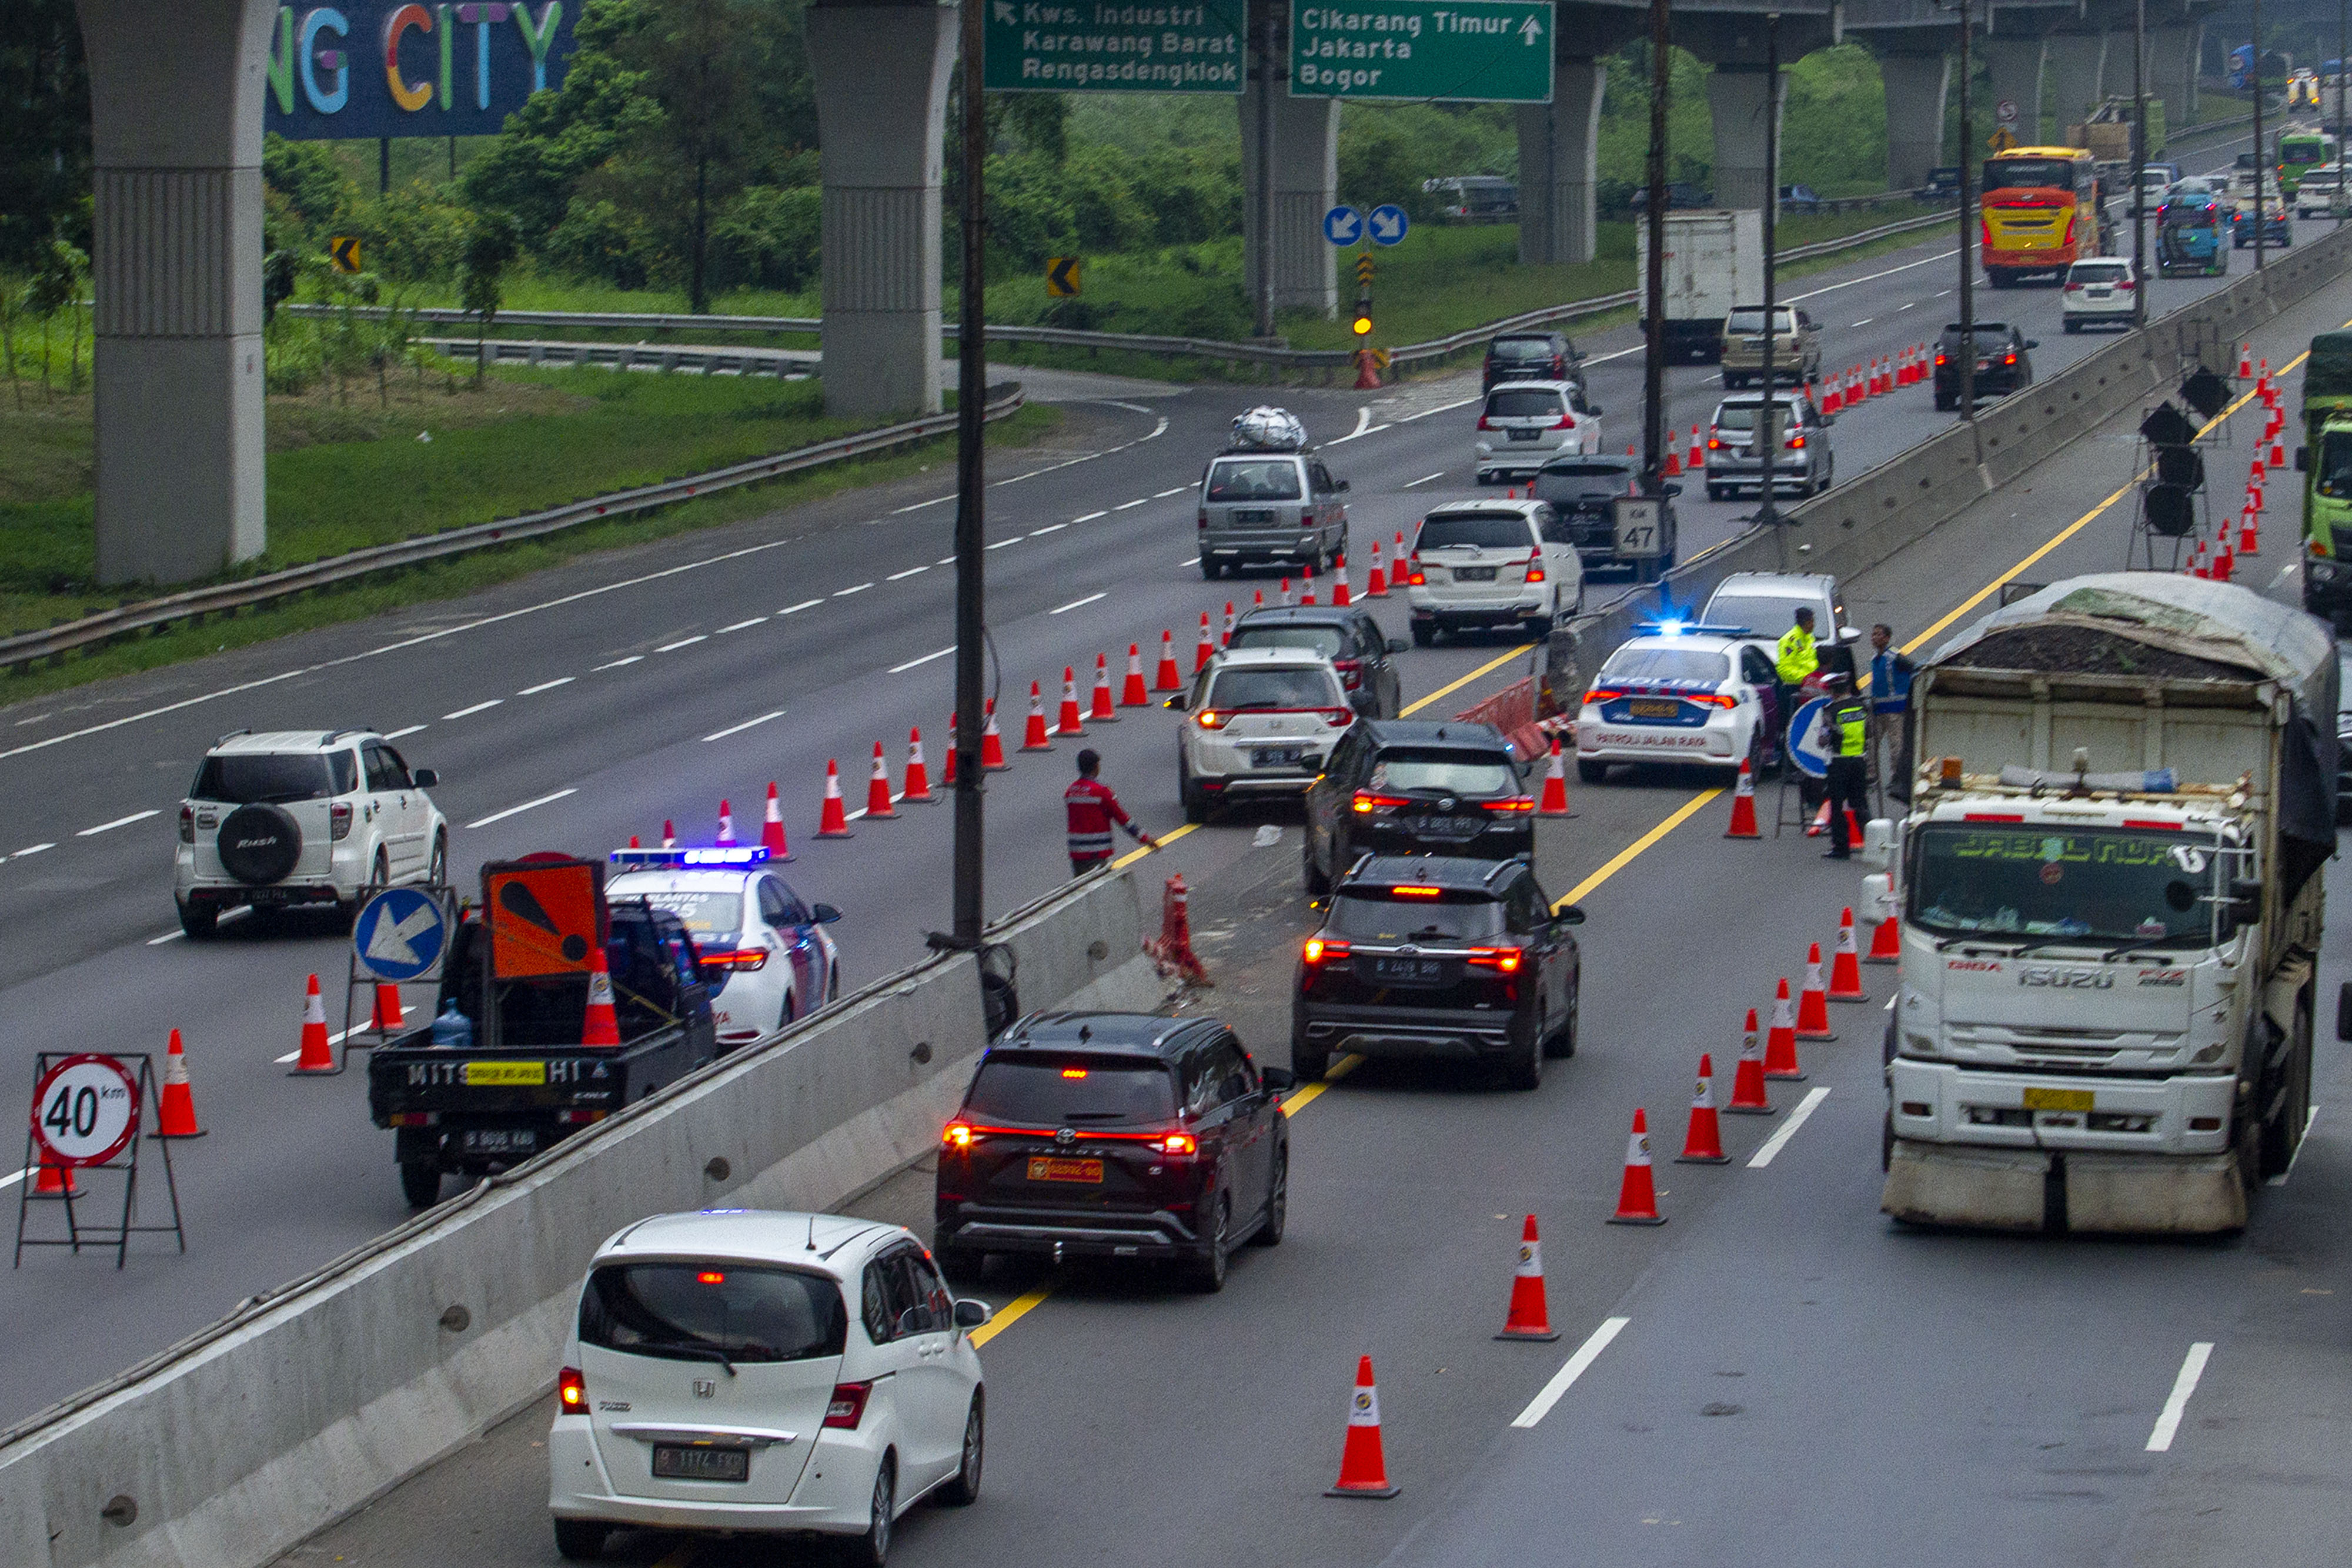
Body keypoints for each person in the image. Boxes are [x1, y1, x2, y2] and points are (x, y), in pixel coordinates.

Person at [1065, 748, 1155, 876]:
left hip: (1077, 855)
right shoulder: (1101, 792)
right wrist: (1145, 839)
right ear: (1096, 767)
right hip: (1096, 854)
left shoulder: (1071, 791)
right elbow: (1123, 819)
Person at [1821, 671, 1872, 860]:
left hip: (1839, 762)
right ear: (1849, 688)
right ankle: (1873, 844)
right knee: (1860, 804)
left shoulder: (1830, 711)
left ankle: (1841, 848)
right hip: (1859, 761)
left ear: (1833, 691)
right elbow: (1870, 733)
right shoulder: (1862, 706)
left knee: (1837, 806)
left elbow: (1823, 740)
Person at [1868, 623, 1917, 801]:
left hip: (1895, 711)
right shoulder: (1876, 658)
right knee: (1871, 743)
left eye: (1878, 635)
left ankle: (1897, 780)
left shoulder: (1895, 657)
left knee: (1896, 746)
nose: (1874, 638)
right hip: (1877, 709)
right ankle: (1871, 776)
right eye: (1873, 635)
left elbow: (1915, 669)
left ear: (1887, 638)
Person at [1773, 606, 1820, 745]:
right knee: (1793, 728)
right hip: (1795, 690)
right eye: (1812, 621)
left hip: (1810, 688)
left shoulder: (1809, 638)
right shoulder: (1790, 640)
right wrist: (1807, 678)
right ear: (1807, 622)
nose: (1814, 624)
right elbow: (1784, 670)